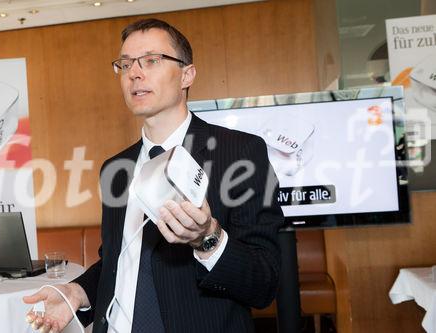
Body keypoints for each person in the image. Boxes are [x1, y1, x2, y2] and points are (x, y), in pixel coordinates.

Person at [24, 18, 284, 333]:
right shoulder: (115, 169)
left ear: (187, 74)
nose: (134, 73)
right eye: (125, 64)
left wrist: (207, 239)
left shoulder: (241, 153)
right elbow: (118, 261)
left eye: (152, 60)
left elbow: (264, 282)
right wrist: (75, 292)